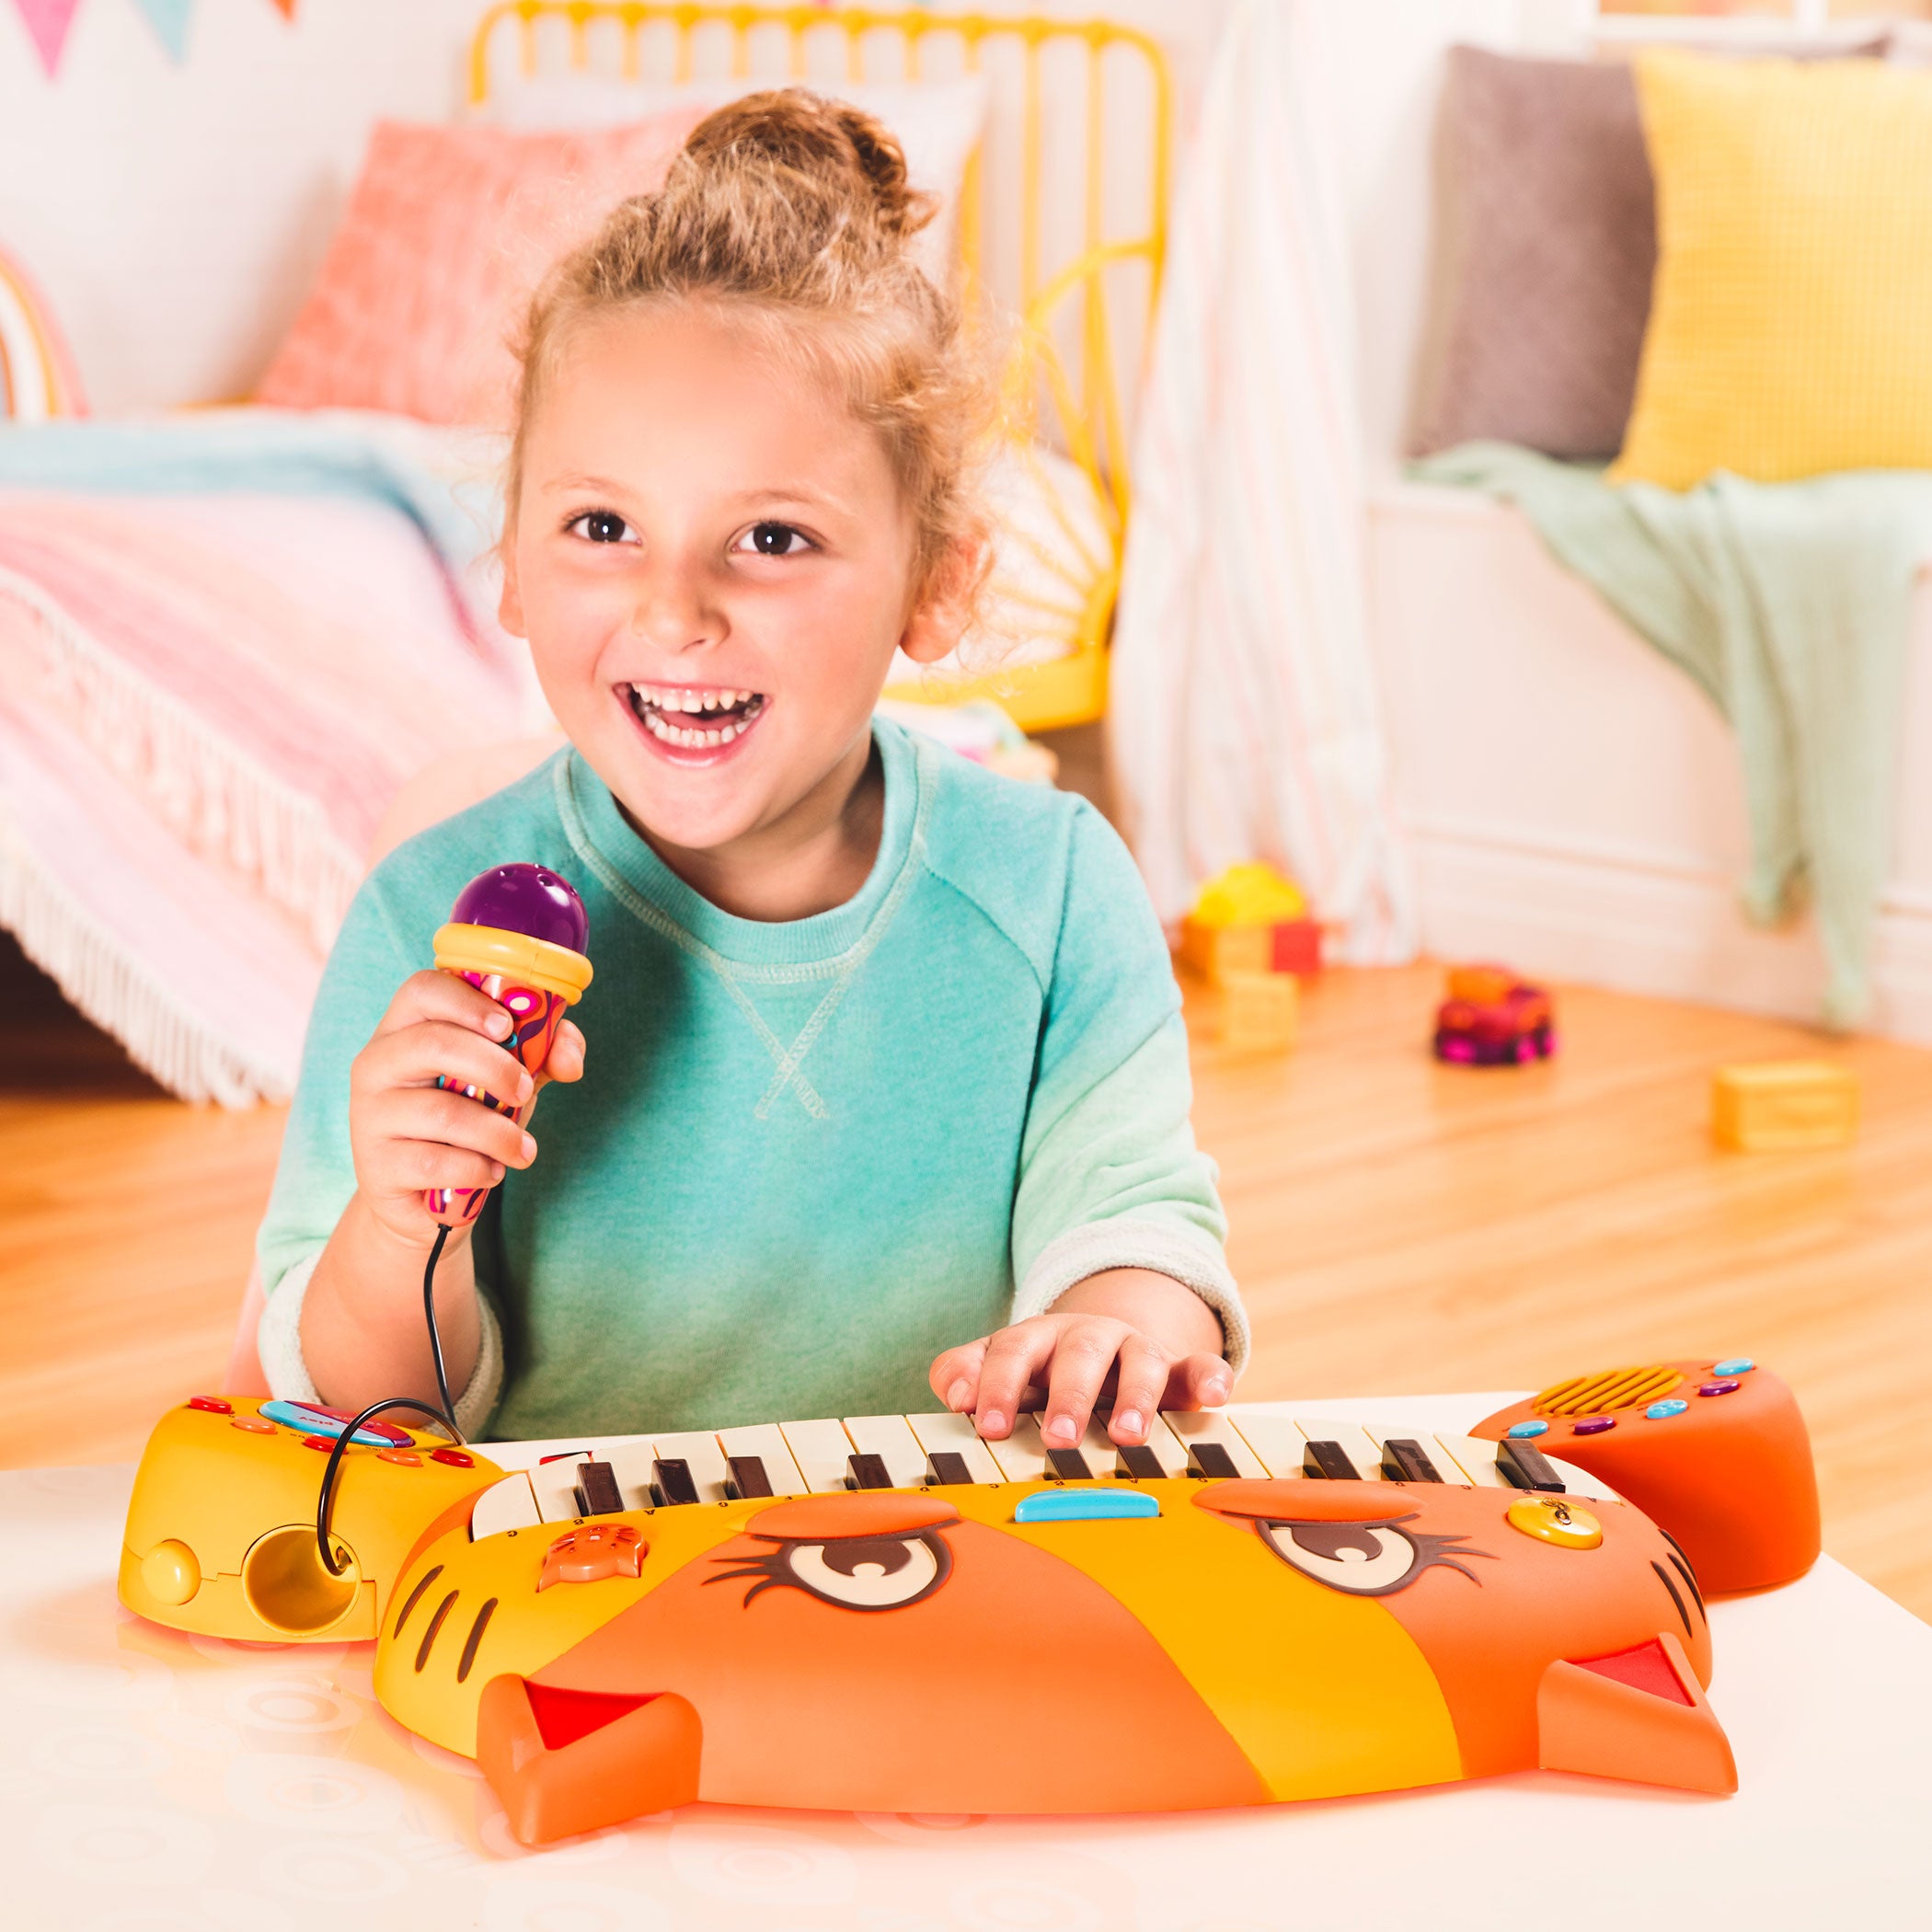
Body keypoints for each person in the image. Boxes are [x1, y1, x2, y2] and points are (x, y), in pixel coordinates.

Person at [257, 90, 1248, 1459]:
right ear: (513, 569)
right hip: (562, 1589)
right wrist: (398, 1222)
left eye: (773, 539)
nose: (675, 611)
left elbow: (1134, 1222)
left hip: (926, 1573)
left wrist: (1110, 1328)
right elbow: (378, 1412)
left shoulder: (1054, 888)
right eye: (603, 525)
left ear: (936, 582)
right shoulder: (419, 919)